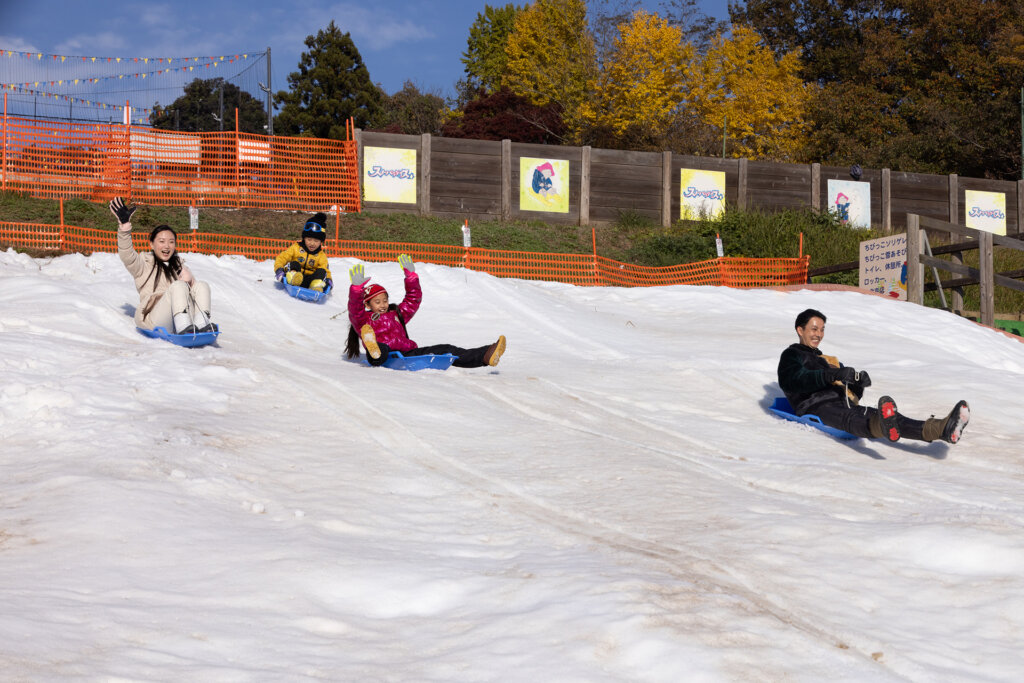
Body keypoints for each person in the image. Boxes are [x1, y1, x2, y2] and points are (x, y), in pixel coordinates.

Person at [777, 308, 969, 444]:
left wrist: (858, 383)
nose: (819, 334)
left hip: (844, 404)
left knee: (889, 417)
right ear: (800, 330)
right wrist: (830, 374)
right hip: (816, 407)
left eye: (822, 329)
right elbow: (793, 381)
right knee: (852, 418)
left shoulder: (828, 359)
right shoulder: (792, 355)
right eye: (814, 329)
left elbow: (851, 394)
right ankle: (879, 426)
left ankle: (939, 429)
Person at [344, 253, 506, 368]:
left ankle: (485, 355)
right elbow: (355, 310)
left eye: (385, 300)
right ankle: (374, 348)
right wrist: (357, 290)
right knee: (381, 349)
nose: (383, 305)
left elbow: (412, 300)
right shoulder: (364, 320)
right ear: (367, 305)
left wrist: (411, 277)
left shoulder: (396, 314)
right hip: (386, 355)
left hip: (407, 352)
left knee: (446, 350)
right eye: (377, 302)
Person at [111, 197, 215, 335]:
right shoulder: (143, 264)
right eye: (161, 241)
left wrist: (191, 282)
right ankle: (183, 327)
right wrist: (124, 228)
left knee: (202, 285)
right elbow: (127, 255)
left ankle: (202, 324)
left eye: (171, 242)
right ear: (152, 244)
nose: (167, 246)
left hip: (181, 315)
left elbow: (195, 296)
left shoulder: (178, 266)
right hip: (156, 318)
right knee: (178, 286)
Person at [274, 212, 333, 292]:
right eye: (309, 239)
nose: (312, 243)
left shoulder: (321, 255)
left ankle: (316, 286)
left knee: (322, 271)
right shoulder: (296, 248)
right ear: (304, 238)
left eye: (316, 241)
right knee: (295, 264)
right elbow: (282, 258)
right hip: (296, 276)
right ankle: (293, 278)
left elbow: (326, 270)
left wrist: (329, 280)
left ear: (321, 242)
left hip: (310, 281)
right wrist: (279, 270)